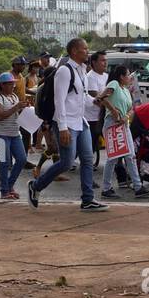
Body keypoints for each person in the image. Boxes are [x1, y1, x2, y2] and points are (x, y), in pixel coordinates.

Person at [28, 38, 104, 211]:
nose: (88, 51)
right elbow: (59, 100)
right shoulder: (64, 71)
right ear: (74, 52)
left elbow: (81, 97)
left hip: (80, 122)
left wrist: (95, 101)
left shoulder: (81, 71)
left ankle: (87, 200)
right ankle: (36, 186)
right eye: (85, 48)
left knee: (87, 159)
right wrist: (62, 128)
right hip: (67, 123)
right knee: (67, 163)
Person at [97, 65, 149, 200]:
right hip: (112, 124)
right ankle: (106, 188)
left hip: (123, 125)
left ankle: (138, 186)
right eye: (128, 75)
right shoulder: (114, 84)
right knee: (113, 158)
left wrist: (126, 117)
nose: (130, 78)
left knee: (130, 156)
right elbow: (102, 97)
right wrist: (114, 110)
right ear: (121, 76)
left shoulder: (127, 91)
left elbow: (131, 110)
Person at [0, 71, 28, 200]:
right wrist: (16, 107)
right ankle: (4, 191)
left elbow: (16, 113)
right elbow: (0, 116)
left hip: (14, 133)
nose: (13, 86)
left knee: (22, 159)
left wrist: (24, 108)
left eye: (13, 84)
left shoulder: (14, 97)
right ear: (2, 85)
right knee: (4, 163)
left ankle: (9, 185)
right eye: (11, 84)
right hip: (0, 134)